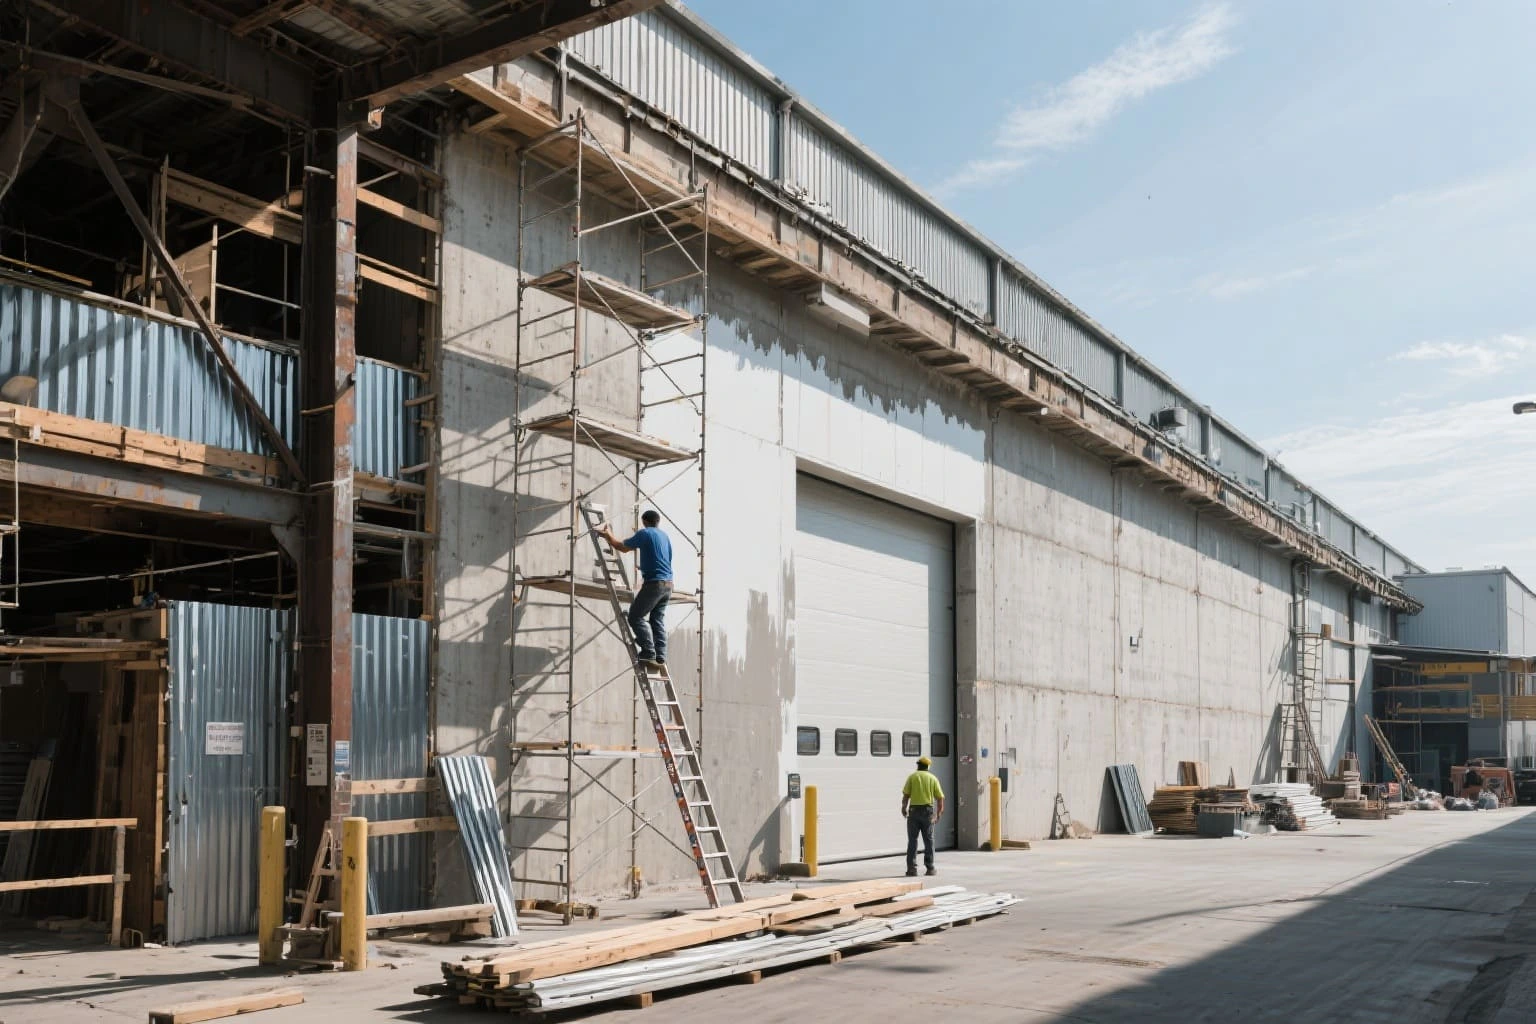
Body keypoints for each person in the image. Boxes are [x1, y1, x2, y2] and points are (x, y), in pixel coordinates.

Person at [597, 509, 673, 669]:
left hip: (654, 584)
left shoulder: (644, 534)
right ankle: (660, 657)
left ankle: (648, 652)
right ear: (657, 521)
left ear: (644, 521)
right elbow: (664, 559)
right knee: (657, 620)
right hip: (668, 584)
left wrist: (608, 535)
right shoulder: (664, 536)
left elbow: (622, 547)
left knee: (635, 617)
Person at [900, 755, 945, 877]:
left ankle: (911, 869)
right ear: (928, 766)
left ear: (918, 766)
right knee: (929, 841)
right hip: (927, 812)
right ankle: (930, 868)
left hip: (914, 812)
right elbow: (940, 799)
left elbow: (906, 796)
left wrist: (904, 808)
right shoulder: (933, 778)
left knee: (912, 841)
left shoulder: (912, 777)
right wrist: (938, 815)